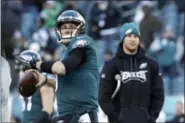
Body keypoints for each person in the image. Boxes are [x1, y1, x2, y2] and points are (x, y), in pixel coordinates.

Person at [18, 10, 99, 123]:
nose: (66, 29)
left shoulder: (83, 42)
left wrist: (37, 64)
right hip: (65, 114)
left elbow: (61, 68)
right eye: (64, 27)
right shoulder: (65, 53)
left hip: (83, 113)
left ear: (81, 29)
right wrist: (45, 79)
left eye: (71, 26)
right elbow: (63, 82)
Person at [98, 22, 164, 123]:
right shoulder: (111, 66)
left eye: (135, 36)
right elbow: (103, 97)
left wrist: (151, 117)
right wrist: (115, 117)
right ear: (122, 39)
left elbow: (159, 95)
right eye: (129, 36)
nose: (133, 39)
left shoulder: (152, 65)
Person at [16, 50, 56, 123]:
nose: (20, 67)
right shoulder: (22, 83)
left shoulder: (43, 81)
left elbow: (48, 111)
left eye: (22, 64)